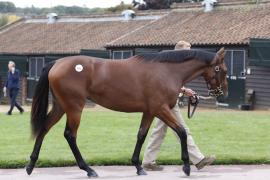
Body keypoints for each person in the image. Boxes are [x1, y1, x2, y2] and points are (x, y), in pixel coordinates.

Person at [142, 41, 215, 171]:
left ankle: (148, 162)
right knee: (181, 129)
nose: (190, 53)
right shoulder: (171, 63)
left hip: (165, 101)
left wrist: (183, 90)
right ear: (180, 51)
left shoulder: (174, 63)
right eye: (188, 50)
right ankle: (198, 160)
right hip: (165, 101)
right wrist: (184, 90)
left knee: (159, 131)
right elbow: (167, 81)